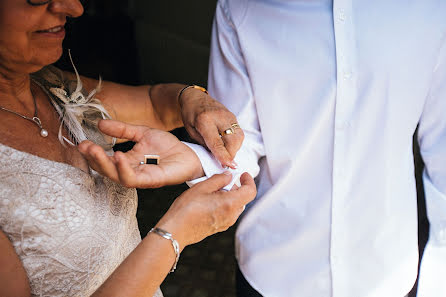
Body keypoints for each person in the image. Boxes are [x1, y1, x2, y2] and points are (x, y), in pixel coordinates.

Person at [88, 0, 446, 296]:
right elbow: (241, 137)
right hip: (271, 273)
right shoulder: (243, 9)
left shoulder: (430, 9)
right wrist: (199, 160)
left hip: (389, 271)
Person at [0, 0, 256, 296]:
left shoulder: (50, 85)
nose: (74, 8)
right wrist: (175, 234)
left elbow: (155, 103)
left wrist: (193, 99)